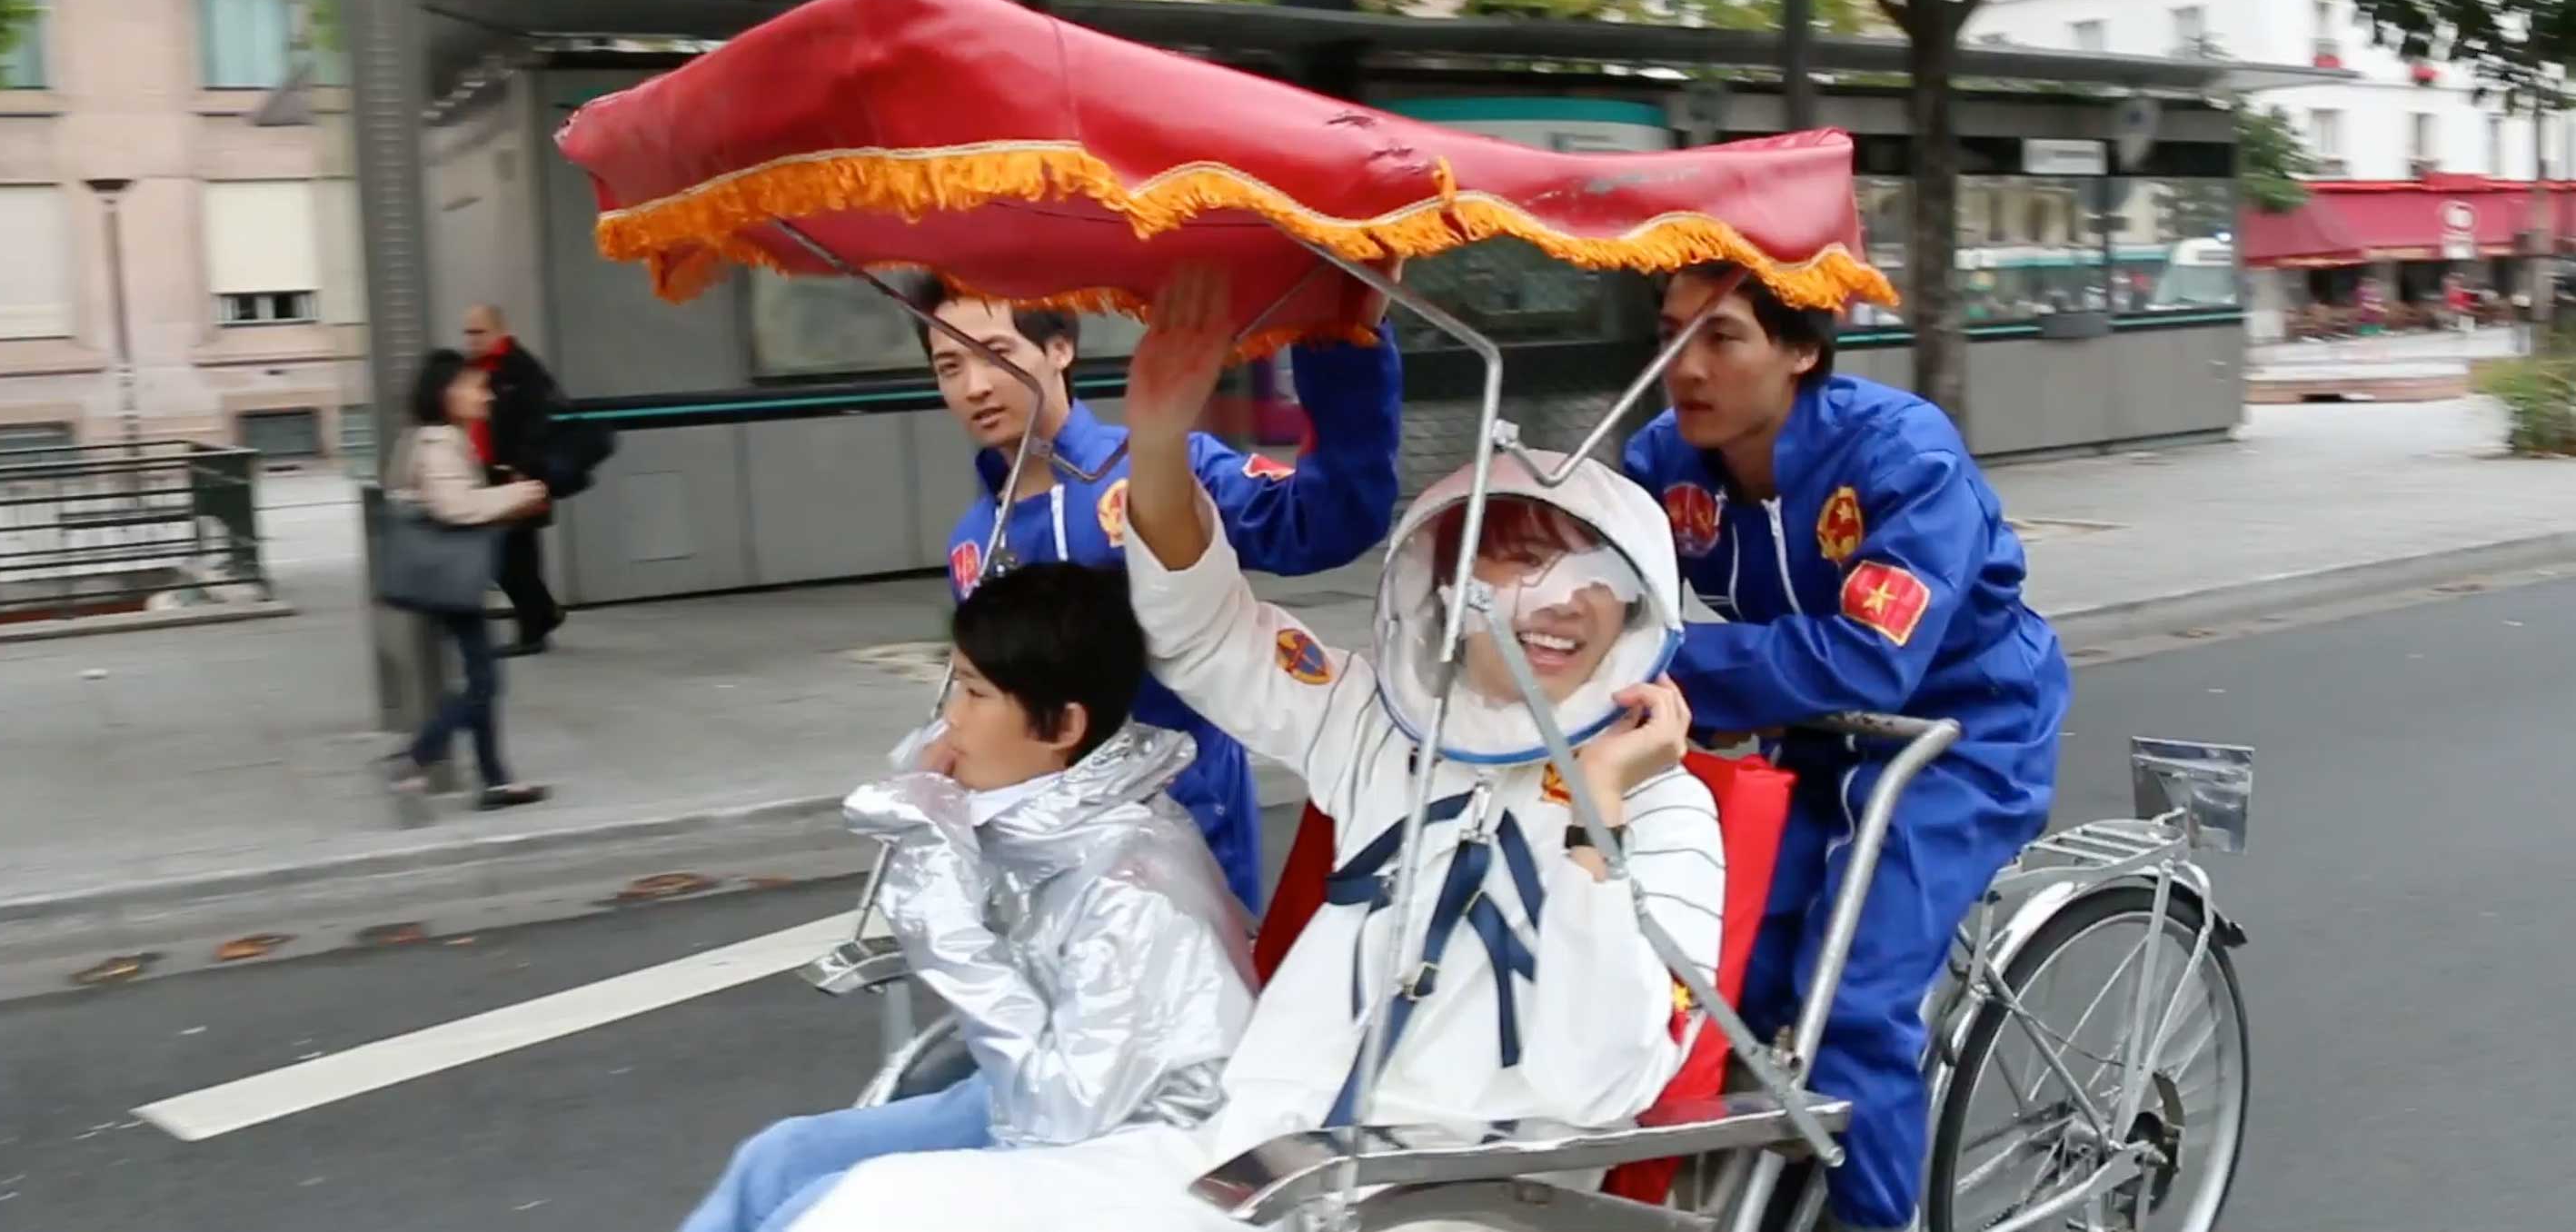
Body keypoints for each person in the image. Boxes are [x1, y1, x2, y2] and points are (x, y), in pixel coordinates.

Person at [783, 266, 1726, 1232]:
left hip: (1445, 1197)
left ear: (1634, 603)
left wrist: (1592, 814)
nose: (1556, 601)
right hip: (1246, 1158)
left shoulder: (1662, 807)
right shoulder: (1378, 726)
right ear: (1445, 590)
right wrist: (1158, 439)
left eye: (1588, 574)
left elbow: (1603, 1073)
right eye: (1515, 562)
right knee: (870, 1206)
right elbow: (1205, 633)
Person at [1619, 267, 2070, 1232]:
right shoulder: (1661, 462)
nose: (1684, 368)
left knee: (1852, 1007)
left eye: (1721, 338)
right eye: (1668, 335)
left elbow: (1870, 659)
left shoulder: (1902, 454)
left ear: (1800, 349)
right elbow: (1588, 585)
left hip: (1964, 733)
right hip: (1808, 735)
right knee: (1720, 972)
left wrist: (1663, 664)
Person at [676, 561, 1256, 1232]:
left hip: (1130, 1146)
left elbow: (1058, 1118)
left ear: (1062, 727)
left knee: (831, 1205)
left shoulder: (1133, 892)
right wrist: (937, 818)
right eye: (956, 685)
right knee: (778, 1159)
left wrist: (942, 908)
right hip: (1040, 1083)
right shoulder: (1046, 815)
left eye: (976, 694)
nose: (950, 719)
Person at [900, 271, 1404, 911]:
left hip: (1190, 831)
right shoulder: (973, 542)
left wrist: (1344, 338)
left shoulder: (1163, 465)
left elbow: (1323, 523)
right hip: (1047, 868)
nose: (974, 386)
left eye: (996, 354)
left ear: (1060, 348)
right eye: (949, 367)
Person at [383, 350, 553, 810]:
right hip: (449, 580)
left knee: (483, 677)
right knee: (484, 683)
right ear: (448, 393)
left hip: (453, 576)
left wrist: (509, 499)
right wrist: (516, 494)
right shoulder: (438, 443)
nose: (487, 396)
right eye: (476, 387)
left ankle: (494, 781)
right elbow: (455, 507)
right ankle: (418, 756)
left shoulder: (446, 438)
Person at [462, 304, 569, 657]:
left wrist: (523, 467)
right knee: (509, 555)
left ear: (499, 331)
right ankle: (542, 615)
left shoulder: (521, 368)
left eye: (478, 332)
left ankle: (534, 628)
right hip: (490, 476)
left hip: (517, 475)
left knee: (513, 556)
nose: (471, 339)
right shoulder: (478, 369)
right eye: (467, 332)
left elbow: (539, 420)